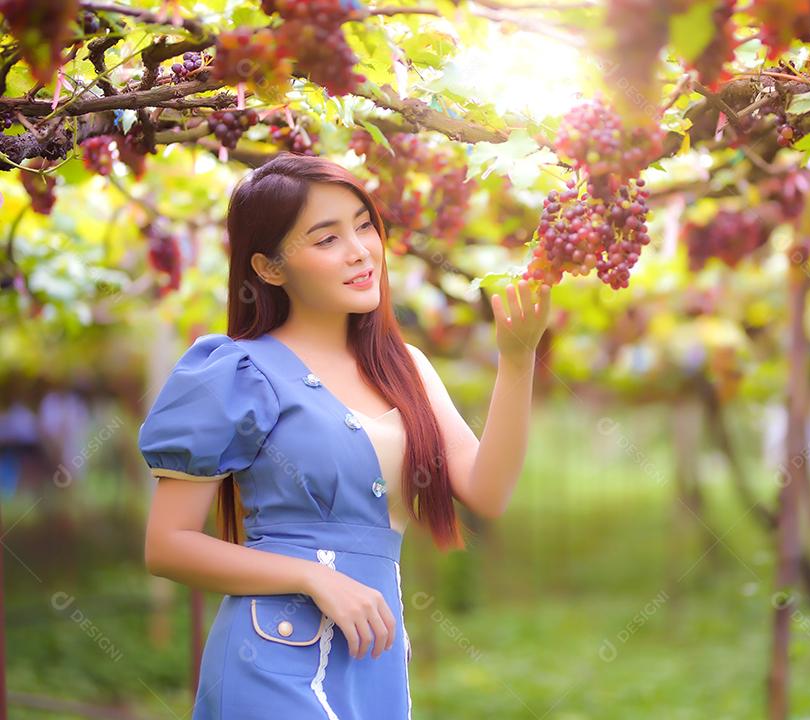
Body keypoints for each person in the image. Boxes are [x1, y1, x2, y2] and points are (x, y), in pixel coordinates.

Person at [139, 152, 550, 719]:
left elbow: (489, 491)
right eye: (326, 239)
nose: (359, 251)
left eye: (364, 226)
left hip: (374, 658)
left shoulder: (406, 367)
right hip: (272, 657)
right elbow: (167, 545)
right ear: (270, 268)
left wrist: (518, 360)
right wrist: (312, 576)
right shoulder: (235, 371)